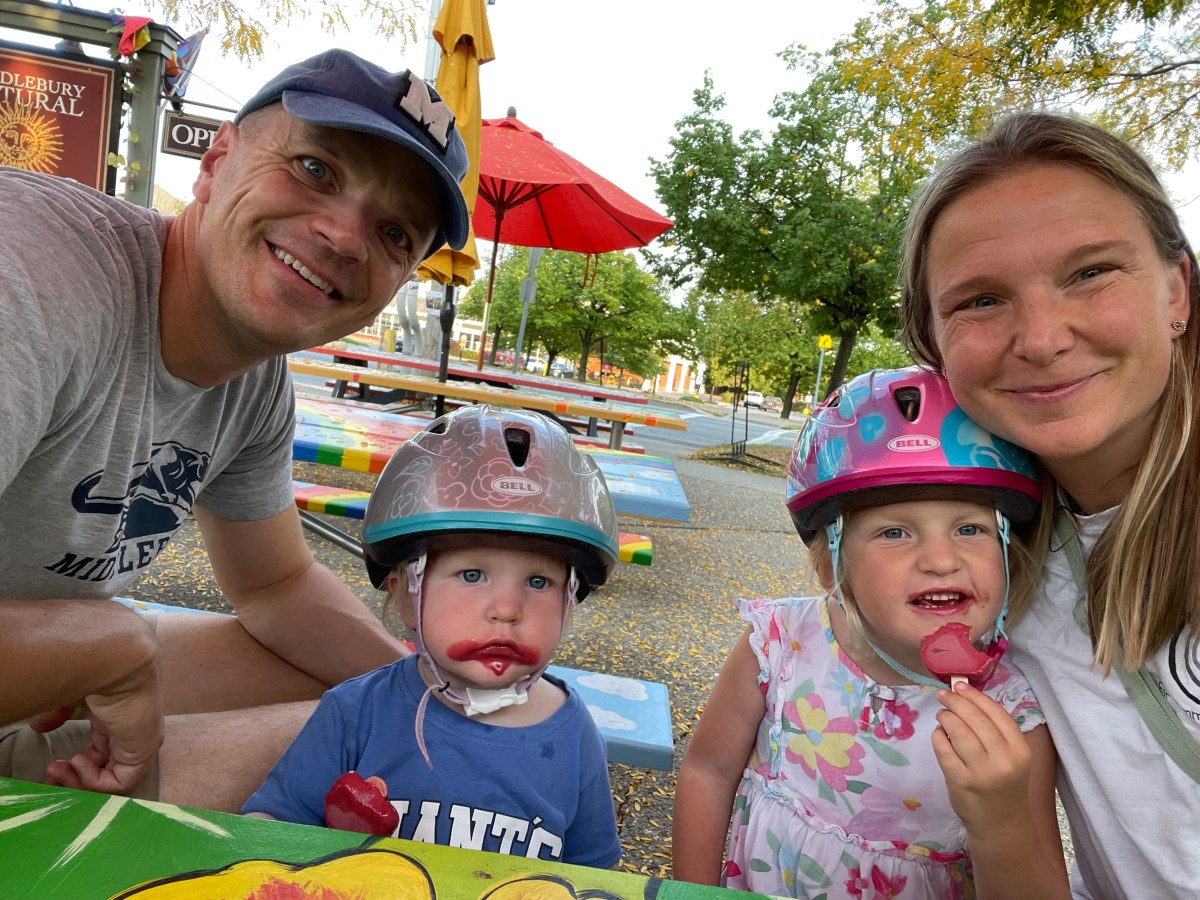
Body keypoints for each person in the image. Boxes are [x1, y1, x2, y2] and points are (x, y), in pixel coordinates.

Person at [0, 49, 470, 811]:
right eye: (317, 169)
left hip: (39, 694)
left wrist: (441, 697)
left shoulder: (253, 383)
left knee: (378, 708)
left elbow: (275, 586)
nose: (346, 237)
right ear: (216, 161)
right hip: (59, 682)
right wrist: (109, 648)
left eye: (394, 233)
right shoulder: (31, 272)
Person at [898, 110, 1200, 899]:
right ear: (931, 342)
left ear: (1178, 290)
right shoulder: (990, 567)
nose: (1039, 337)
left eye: (1091, 272)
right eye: (981, 300)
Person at [673, 367, 1068, 898]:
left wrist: (1000, 820)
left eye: (969, 528)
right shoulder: (780, 646)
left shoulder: (1011, 716)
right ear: (830, 566)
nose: (941, 559)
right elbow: (707, 773)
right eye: (895, 532)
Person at [242, 406, 622, 867]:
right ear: (406, 594)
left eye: (538, 583)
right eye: (472, 574)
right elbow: (273, 827)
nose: (506, 609)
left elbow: (594, 875)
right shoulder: (356, 714)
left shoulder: (576, 735)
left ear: (571, 598)